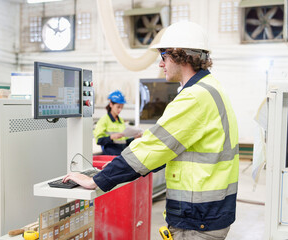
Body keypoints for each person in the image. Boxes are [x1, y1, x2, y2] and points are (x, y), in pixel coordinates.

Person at [63, 21, 239, 240]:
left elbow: (151, 149)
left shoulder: (194, 97)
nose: (160, 64)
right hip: (211, 211)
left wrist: (96, 180)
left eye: (163, 56)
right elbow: (176, 148)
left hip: (198, 218)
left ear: (180, 55)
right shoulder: (212, 87)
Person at [94, 90, 140, 155]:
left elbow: (124, 141)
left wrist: (134, 138)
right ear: (111, 104)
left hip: (122, 152)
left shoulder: (120, 120)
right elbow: (99, 141)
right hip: (110, 154)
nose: (120, 110)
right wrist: (111, 137)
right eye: (118, 107)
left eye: (122, 107)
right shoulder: (104, 120)